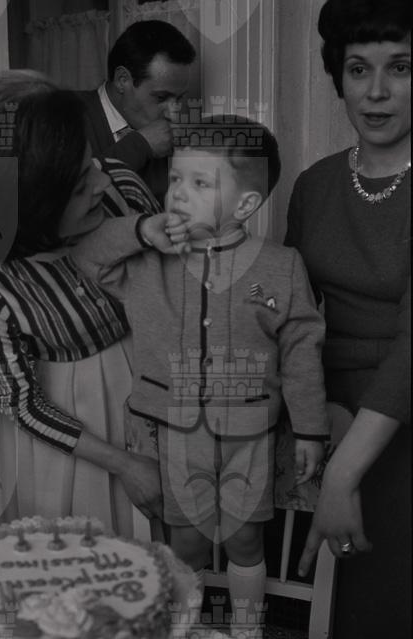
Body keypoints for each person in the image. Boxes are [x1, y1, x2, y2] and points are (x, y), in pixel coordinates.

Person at [73, 117, 329, 639]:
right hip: (174, 431)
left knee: (244, 541)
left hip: (249, 433)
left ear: (245, 205)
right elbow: (85, 255)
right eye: (175, 179)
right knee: (185, 543)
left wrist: (310, 429)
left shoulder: (282, 266)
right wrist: (142, 229)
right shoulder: (146, 263)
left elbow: (302, 350)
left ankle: (246, 629)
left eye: (200, 183)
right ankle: (184, 627)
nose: (179, 194)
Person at [0, 70, 165, 538]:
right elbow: (24, 405)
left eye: (91, 162)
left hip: (159, 394)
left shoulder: (121, 190)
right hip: (81, 447)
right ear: (30, 210)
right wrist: (125, 465)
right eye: (78, 185)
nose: (101, 181)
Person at [288, 1, 411, 636]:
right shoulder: (314, 185)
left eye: (401, 67)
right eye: (359, 68)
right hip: (326, 420)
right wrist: (314, 423)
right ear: (338, 77)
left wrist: (344, 470)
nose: (377, 91)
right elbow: (292, 320)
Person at [77, 20, 196, 206]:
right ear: (122, 80)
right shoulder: (64, 115)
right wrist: (139, 146)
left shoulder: (168, 138)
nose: (173, 114)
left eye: (179, 98)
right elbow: (64, 193)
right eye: (161, 97)